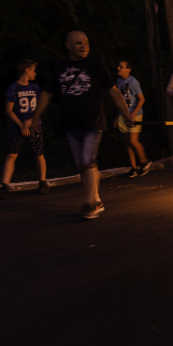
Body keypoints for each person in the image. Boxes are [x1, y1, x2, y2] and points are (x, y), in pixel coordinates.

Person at [30, 30, 135, 219]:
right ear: (68, 46)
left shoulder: (96, 65)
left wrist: (126, 114)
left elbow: (113, 91)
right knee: (83, 165)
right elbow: (46, 94)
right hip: (70, 124)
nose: (84, 46)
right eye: (78, 43)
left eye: (86, 42)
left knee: (87, 161)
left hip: (93, 123)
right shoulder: (59, 67)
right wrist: (35, 118)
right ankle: (97, 199)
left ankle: (90, 203)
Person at [0, 59, 49, 198]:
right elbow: (9, 110)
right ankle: (5, 185)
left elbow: (38, 107)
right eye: (33, 70)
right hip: (17, 127)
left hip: (34, 126)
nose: (35, 73)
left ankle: (43, 182)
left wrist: (31, 120)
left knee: (38, 153)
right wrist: (20, 124)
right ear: (27, 70)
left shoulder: (35, 88)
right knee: (12, 155)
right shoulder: (14, 88)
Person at [115, 60, 150, 177]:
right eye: (119, 66)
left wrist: (133, 115)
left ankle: (145, 161)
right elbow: (120, 101)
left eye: (121, 67)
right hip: (123, 115)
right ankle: (134, 167)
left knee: (133, 140)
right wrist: (118, 117)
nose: (118, 68)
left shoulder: (133, 82)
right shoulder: (119, 82)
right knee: (127, 142)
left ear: (128, 69)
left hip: (134, 114)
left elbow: (142, 99)